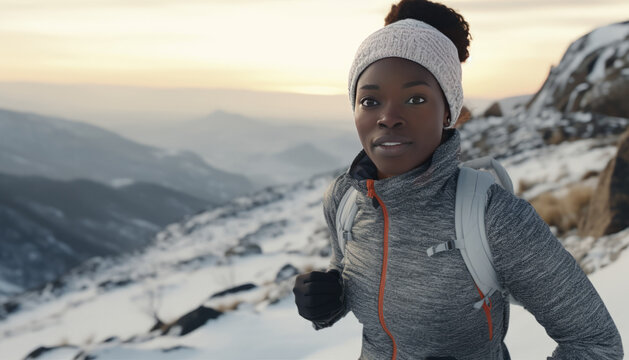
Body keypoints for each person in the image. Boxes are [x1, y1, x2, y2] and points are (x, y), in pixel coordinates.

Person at [292, 0, 624, 359]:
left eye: (415, 98)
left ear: (448, 111)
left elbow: (596, 345)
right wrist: (329, 300)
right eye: (370, 101)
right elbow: (351, 270)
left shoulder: (493, 216)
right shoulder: (345, 199)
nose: (388, 117)